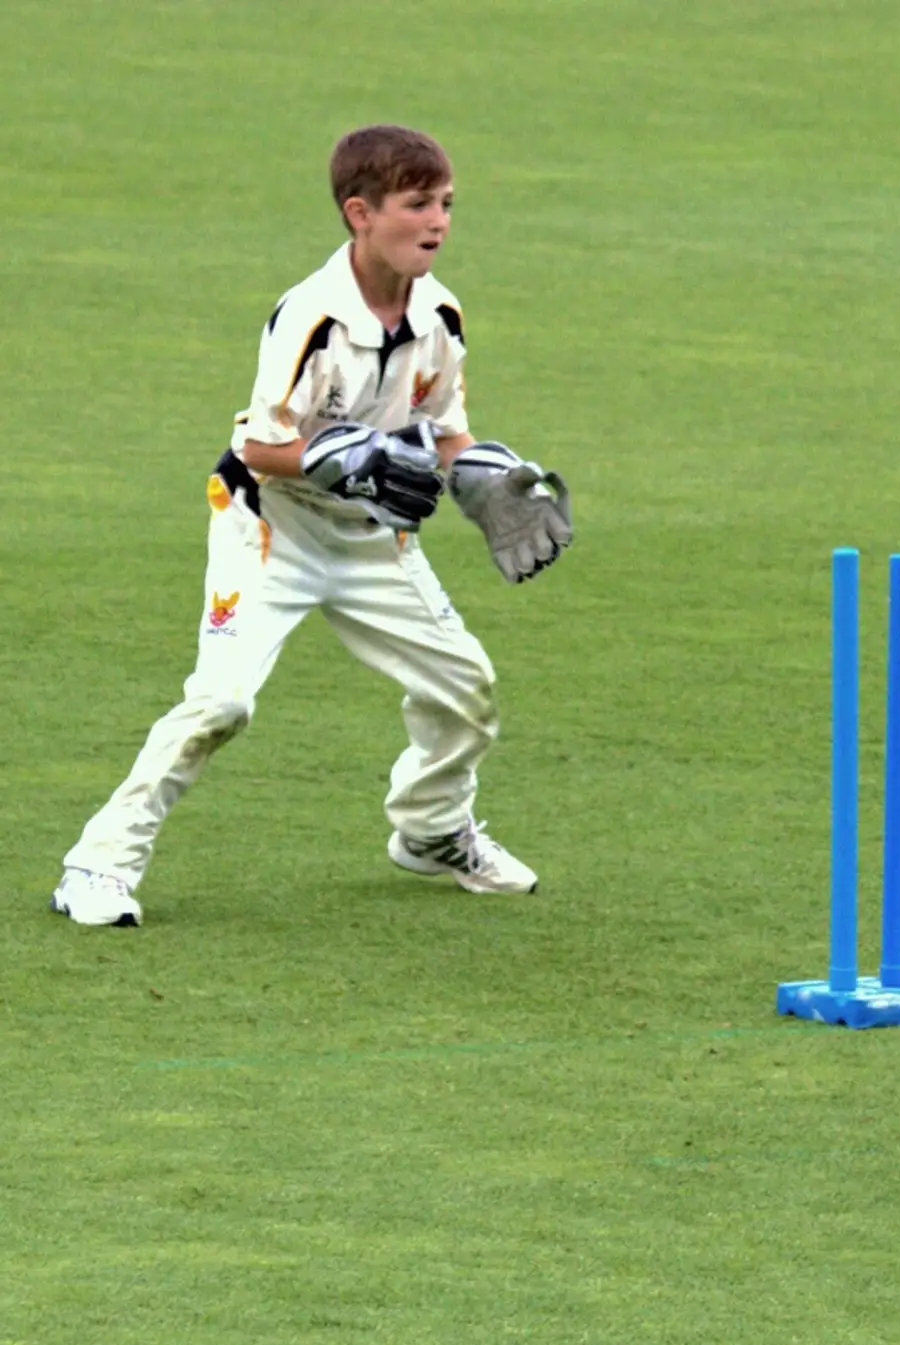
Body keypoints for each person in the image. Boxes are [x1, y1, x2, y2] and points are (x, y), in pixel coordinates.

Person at [52, 124, 573, 928]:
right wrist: (346, 455)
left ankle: (432, 830)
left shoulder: (440, 314)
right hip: (272, 527)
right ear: (360, 213)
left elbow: (445, 428)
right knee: (222, 703)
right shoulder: (312, 316)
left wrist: (483, 477)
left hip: (372, 536)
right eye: (417, 205)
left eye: (446, 204)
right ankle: (97, 865)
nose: (437, 221)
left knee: (466, 687)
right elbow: (259, 446)